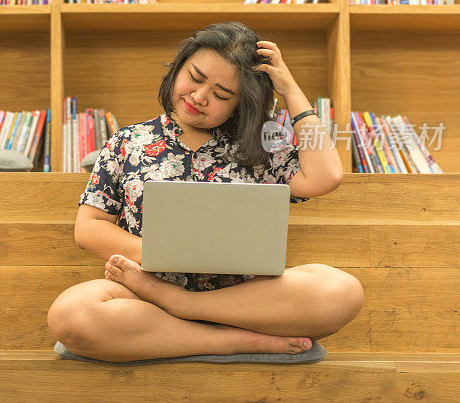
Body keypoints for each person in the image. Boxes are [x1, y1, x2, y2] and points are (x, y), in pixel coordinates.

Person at [47, 21, 364, 362]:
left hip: (243, 301)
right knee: (72, 315)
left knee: (342, 292)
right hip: (145, 297)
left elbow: (327, 175)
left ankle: (187, 308)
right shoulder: (128, 141)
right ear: (178, 67)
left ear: (239, 103)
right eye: (195, 78)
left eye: (222, 95)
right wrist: (168, 254)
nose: (199, 98)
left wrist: (292, 92)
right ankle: (233, 342)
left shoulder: (259, 147)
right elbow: (89, 228)